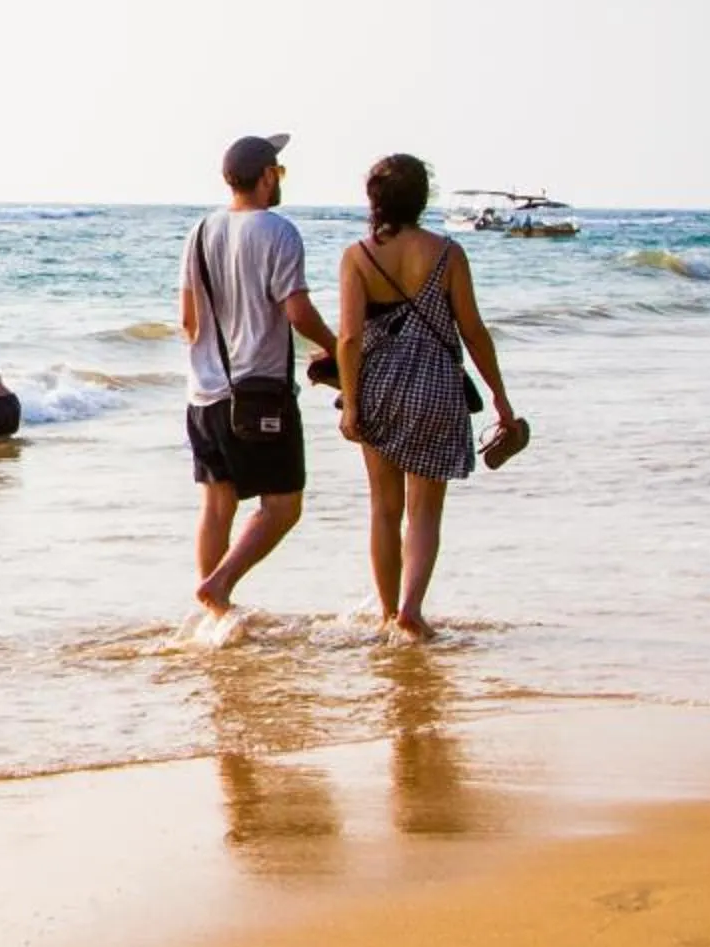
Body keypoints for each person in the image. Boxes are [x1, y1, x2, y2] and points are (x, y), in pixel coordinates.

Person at [331, 152, 523, 640]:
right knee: (425, 510)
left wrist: (351, 404)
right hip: (436, 386)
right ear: (423, 199)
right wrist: (500, 399)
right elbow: (474, 332)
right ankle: (412, 610)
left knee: (383, 506)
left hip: (377, 387)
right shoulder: (448, 253)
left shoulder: (358, 256)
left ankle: (385, 613)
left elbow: (349, 339)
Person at [183, 132, 339, 617]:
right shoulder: (278, 231)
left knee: (216, 505)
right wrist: (337, 349)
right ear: (268, 176)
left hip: (203, 393)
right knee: (283, 507)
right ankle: (220, 585)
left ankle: (215, 618)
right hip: (261, 393)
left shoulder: (200, 231)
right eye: (280, 172)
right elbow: (297, 312)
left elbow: (188, 320)